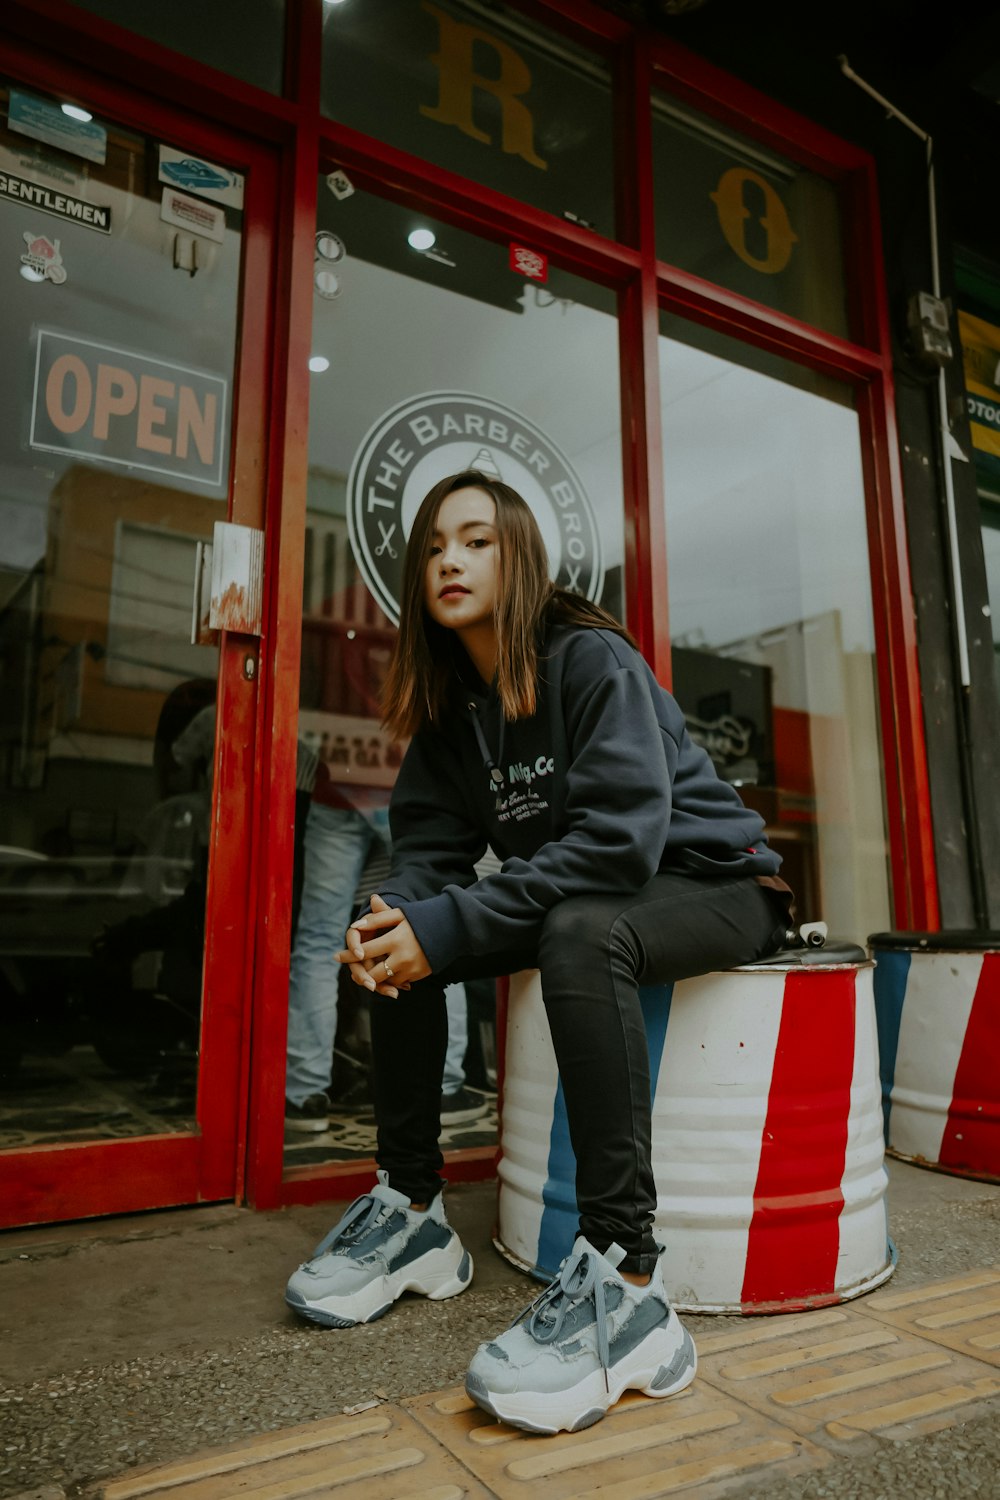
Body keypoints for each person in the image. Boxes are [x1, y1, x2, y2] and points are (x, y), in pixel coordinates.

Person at [285, 469, 792, 1435]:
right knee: (400, 931)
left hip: (713, 881)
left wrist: (449, 921)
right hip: (596, 888)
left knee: (575, 928)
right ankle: (413, 1211)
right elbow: (427, 857)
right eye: (434, 546)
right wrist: (389, 918)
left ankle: (627, 1278)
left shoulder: (588, 659)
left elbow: (619, 844)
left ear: (518, 557)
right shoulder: (450, 709)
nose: (450, 560)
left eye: (475, 540)